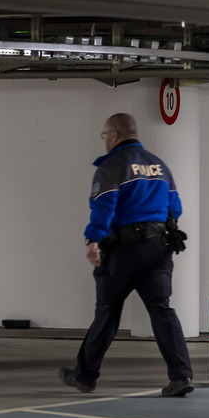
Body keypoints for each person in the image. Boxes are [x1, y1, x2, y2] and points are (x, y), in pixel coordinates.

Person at [59, 113, 194, 397]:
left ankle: (84, 377)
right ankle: (181, 377)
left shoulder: (112, 165)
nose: (105, 139)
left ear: (114, 135)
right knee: (162, 311)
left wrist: (93, 240)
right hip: (160, 248)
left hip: (123, 251)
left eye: (105, 134)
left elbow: (104, 206)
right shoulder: (159, 165)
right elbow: (175, 207)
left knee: (107, 312)